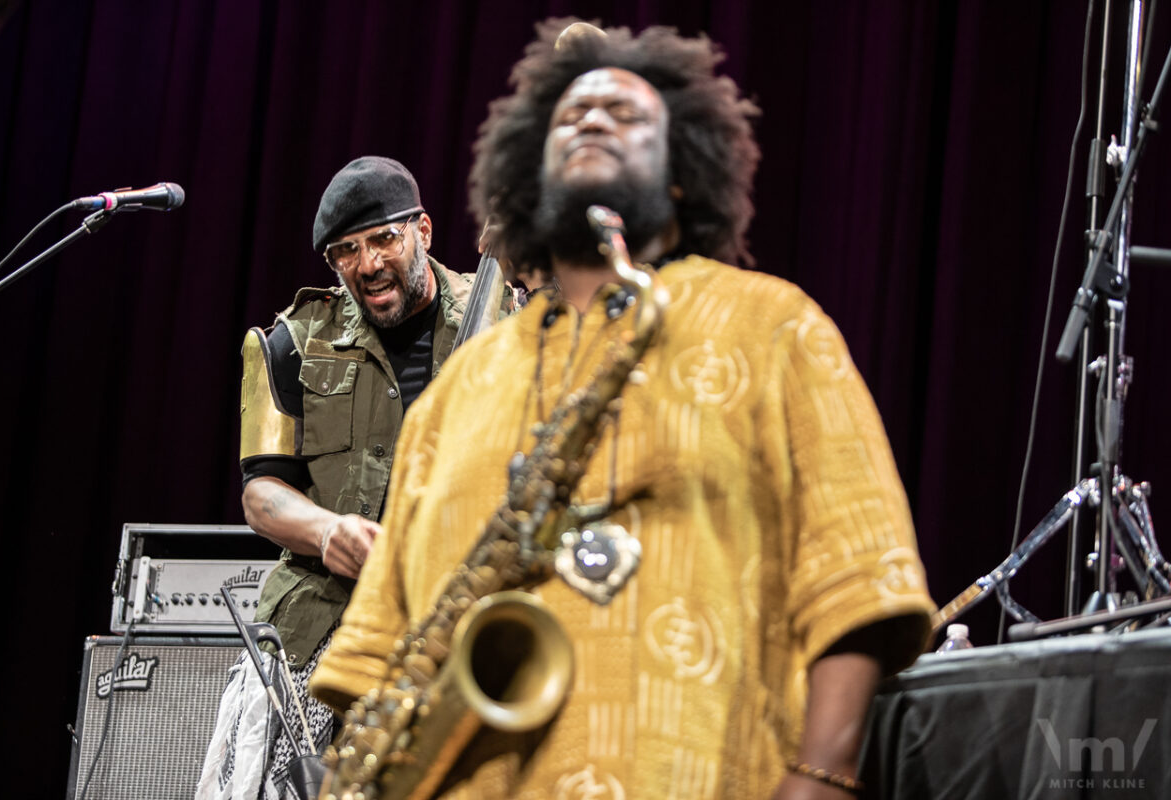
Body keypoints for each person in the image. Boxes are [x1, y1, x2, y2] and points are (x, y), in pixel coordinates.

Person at [313, 20, 935, 800]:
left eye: (630, 116)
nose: (593, 119)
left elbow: (858, 584)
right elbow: (378, 654)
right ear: (524, 178)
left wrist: (820, 780)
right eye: (566, 118)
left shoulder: (777, 327)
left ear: (682, 174)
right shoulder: (461, 387)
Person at [198, 156, 494, 800]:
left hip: (464, 618)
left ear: (424, 229)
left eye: (385, 238)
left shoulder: (504, 321)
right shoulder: (289, 343)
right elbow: (261, 493)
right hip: (326, 617)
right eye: (345, 252)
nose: (367, 265)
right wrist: (326, 528)